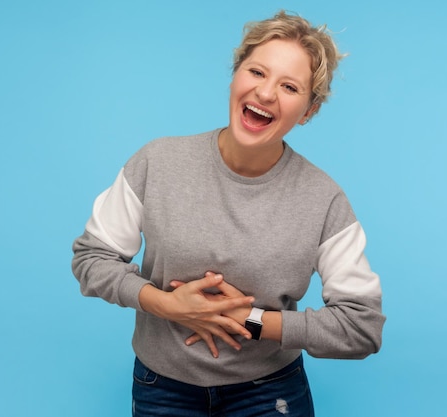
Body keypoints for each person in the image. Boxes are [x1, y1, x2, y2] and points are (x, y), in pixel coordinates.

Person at [72, 10, 385, 417]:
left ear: (308, 111)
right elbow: (91, 259)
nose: (267, 93)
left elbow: (362, 328)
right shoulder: (157, 162)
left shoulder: (324, 200)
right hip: (161, 388)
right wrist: (164, 305)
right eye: (257, 72)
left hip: (270, 395)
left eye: (289, 86)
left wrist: (253, 320)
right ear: (236, 75)